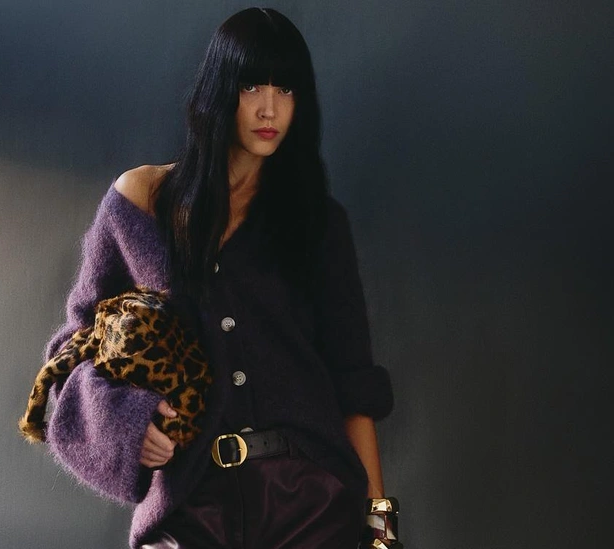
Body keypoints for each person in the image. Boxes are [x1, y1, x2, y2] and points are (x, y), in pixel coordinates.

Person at [40, 7, 394, 549]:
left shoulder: (319, 223)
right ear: (220, 89)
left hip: (311, 499)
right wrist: (128, 423)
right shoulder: (140, 204)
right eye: (251, 86)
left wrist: (380, 527)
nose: (269, 107)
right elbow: (71, 352)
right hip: (190, 500)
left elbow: (354, 382)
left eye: (286, 89)